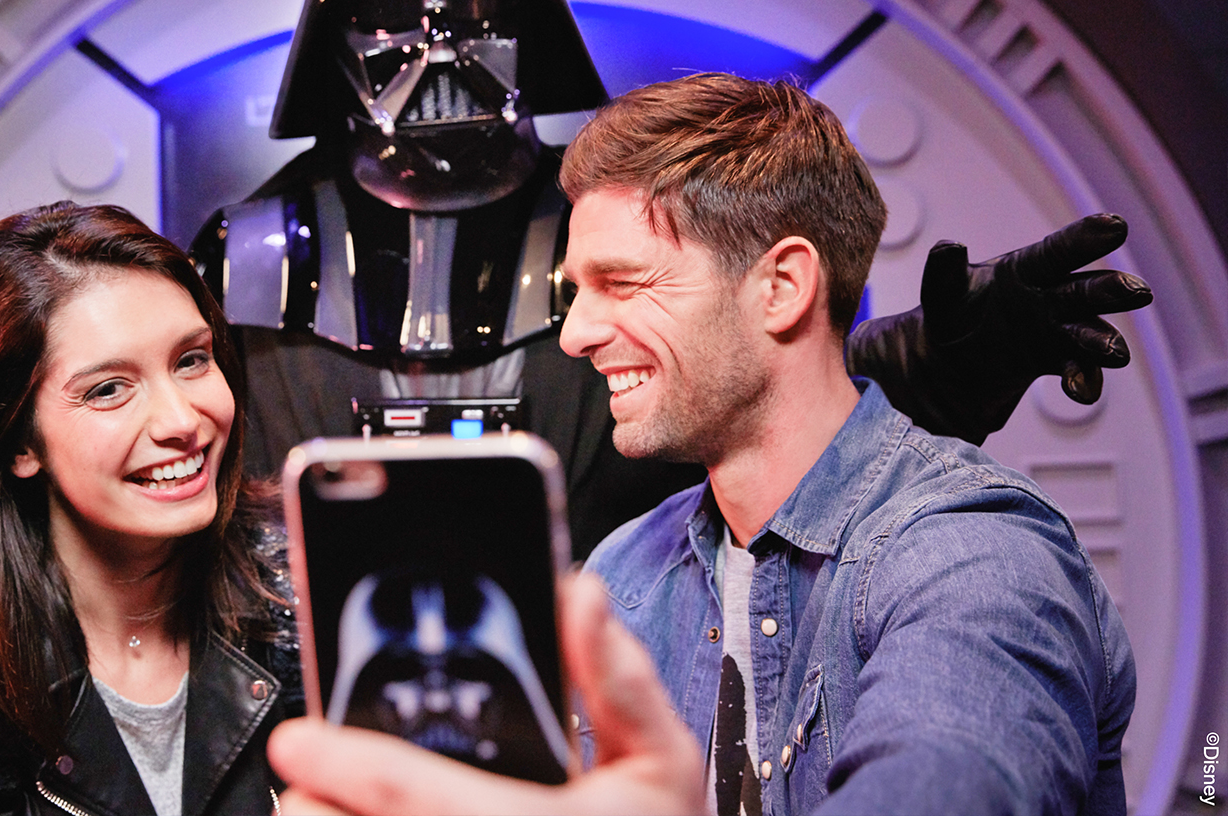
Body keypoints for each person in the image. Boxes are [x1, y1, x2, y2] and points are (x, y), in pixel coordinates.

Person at [0, 0, 1153, 564]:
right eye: (389, 32)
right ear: (330, 38)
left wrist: (949, 364)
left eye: (464, 21)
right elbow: (88, 431)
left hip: (610, 721)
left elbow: (766, 403)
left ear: (525, 17)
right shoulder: (242, 257)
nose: (428, 66)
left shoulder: (620, 241)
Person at [268, 74, 1138, 816]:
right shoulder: (624, 572)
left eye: (624, 283)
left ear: (782, 286)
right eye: (578, 290)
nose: (575, 336)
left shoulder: (974, 556)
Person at [0, 202, 300, 816]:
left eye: (191, 360)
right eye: (108, 389)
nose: (182, 421)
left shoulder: (314, 598)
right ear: (19, 441)